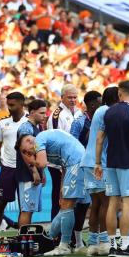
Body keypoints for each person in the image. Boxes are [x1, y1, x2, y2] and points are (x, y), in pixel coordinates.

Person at [17, 129, 86, 256]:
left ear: (28, 141)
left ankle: (63, 245)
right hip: (77, 162)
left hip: (76, 163)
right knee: (72, 204)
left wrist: (30, 160)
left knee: (67, 206)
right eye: (25, 153)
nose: (27, 153)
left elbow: (42, 164)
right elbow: (63, 165)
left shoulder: (37, 140)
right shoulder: (43, 141)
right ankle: (52, 238)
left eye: (25, 150)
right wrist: (62, 187)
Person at [94, 80, 129, 257]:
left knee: (113, 203)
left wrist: (98, 162)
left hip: (111, 162)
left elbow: (99, 139)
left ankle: (113, 245)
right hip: (128, 162)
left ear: (120, 93)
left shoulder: (108, 112)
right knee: (128, 202)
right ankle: (125, 246)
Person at [78, 88, 113, 257]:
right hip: (98, 162)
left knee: (96, 204)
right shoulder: (107, 111)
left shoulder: (99, 111)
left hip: (88, 161)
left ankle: (92, 243)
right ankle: (104, 242)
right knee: (105, 203)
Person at [0, 91, 27, 244]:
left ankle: (22, 238)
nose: (9, 108)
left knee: (24, 207)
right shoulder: (2, 123)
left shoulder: (30, 121)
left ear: (21, 104)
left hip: (25, 169)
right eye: (8, 105)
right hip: (8, 168)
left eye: (12, 105)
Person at [69, 90, 103, 253]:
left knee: (86, 204)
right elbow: (72, 144)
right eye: (99, 102)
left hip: (91, 165)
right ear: (90, 104)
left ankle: (82, 241)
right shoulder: (80, 122)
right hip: (81, 165)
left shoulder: (98, 119)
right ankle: (72, 240)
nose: (101, 104)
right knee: (76, 203)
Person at [49, 85, 84, 224]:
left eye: (75, 97)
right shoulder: (57, 115)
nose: (73, 100)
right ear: (62, 97)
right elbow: (56, 140)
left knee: (73, 198)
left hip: (75, 160)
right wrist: (61, 165)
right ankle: (55, 235)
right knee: (60, 197)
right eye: (70, 97)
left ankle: (71, 234)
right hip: (60, 163)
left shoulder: (79, 112)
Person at [16, 99, 48, 228]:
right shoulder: (25, 127)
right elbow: (26, 152)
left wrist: (42, 172)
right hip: (26, 174)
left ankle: (26, 238)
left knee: (30, 209)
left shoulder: (36, 127)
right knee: (26, 209)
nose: (44, 116)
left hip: (33, 172)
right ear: (32, 112)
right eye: (41, 113)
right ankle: (22, 240)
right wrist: (34, 171)